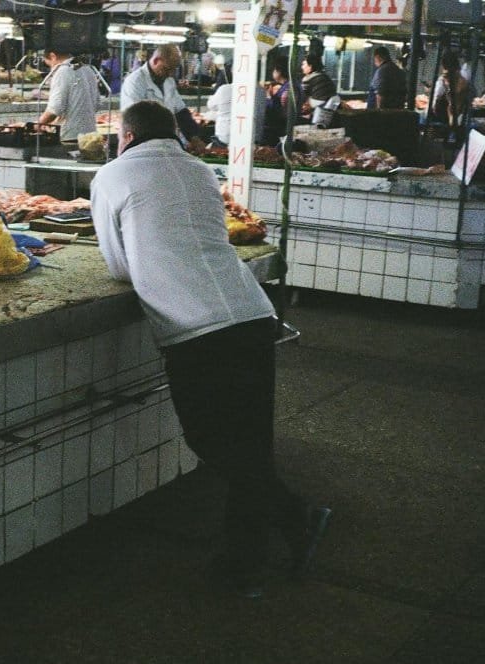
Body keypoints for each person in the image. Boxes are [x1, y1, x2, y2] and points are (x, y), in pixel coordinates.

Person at [90, 100, 331, 598]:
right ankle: (257, 553)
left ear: (127, 136)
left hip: (197, 326)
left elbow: (119, 268)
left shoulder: (111, 177)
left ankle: (278, 536)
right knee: (250, 444)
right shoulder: (201, 171)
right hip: (251, 313)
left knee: (211, 442)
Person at [120, 44, 202, 140]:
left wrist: (193, 137)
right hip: (142, 141)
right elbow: (135, 118)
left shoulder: (169, 81)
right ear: (156, 61)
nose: (170, 74)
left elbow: (180, 111)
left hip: (166, 139)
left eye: (173, 70)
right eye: (167, 69)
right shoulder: (135, 81)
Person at [36, 48, 99, 144]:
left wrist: (37, 124)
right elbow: (97, 104)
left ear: (53, 56)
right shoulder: (88, 70)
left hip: (69, 136)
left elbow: (55, 109)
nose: (51, 68)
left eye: (49, 64)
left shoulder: (62, 71)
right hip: (90, 135)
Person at [203, 82, 266, 148]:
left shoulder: (225, 89)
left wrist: (211, 98)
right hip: (254, 141)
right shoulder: (261, 91)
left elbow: (211, 105)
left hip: (225, 141)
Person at [262, 56, 301, 145]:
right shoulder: (292, 85)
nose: (273, 72)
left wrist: (268, 96)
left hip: (277, 131)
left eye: (274, 70)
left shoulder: (288, 89)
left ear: (279, 71)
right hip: (281, 128)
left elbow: (278, 112)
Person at [300, 53, 337, 126]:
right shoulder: (325, 77)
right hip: (330, 113)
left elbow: (303, 97)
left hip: (316, 113)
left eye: (304, 64)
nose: (302, 67)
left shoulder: (308, 79)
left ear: (310, 66)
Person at [367, 46, 407, 110]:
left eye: (374, 59)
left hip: (380, 114)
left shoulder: (382, 71)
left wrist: (380, 113)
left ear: (377, 57)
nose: (374, 62)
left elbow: (380, 94)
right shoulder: (398, 70)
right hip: (396, 111)